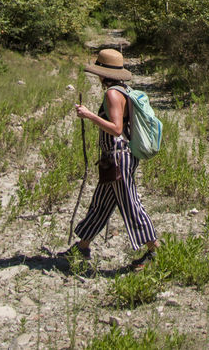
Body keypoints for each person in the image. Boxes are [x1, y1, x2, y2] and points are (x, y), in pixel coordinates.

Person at [65, 48, 160, 270]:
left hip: (118, 158)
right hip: (117, 159)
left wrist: (89, 115)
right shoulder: (124, 90)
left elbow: (116, 129)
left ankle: (155, 250)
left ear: (102, 73)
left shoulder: (112, 94)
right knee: (101, 204)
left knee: (130, 204)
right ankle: (82, 247)